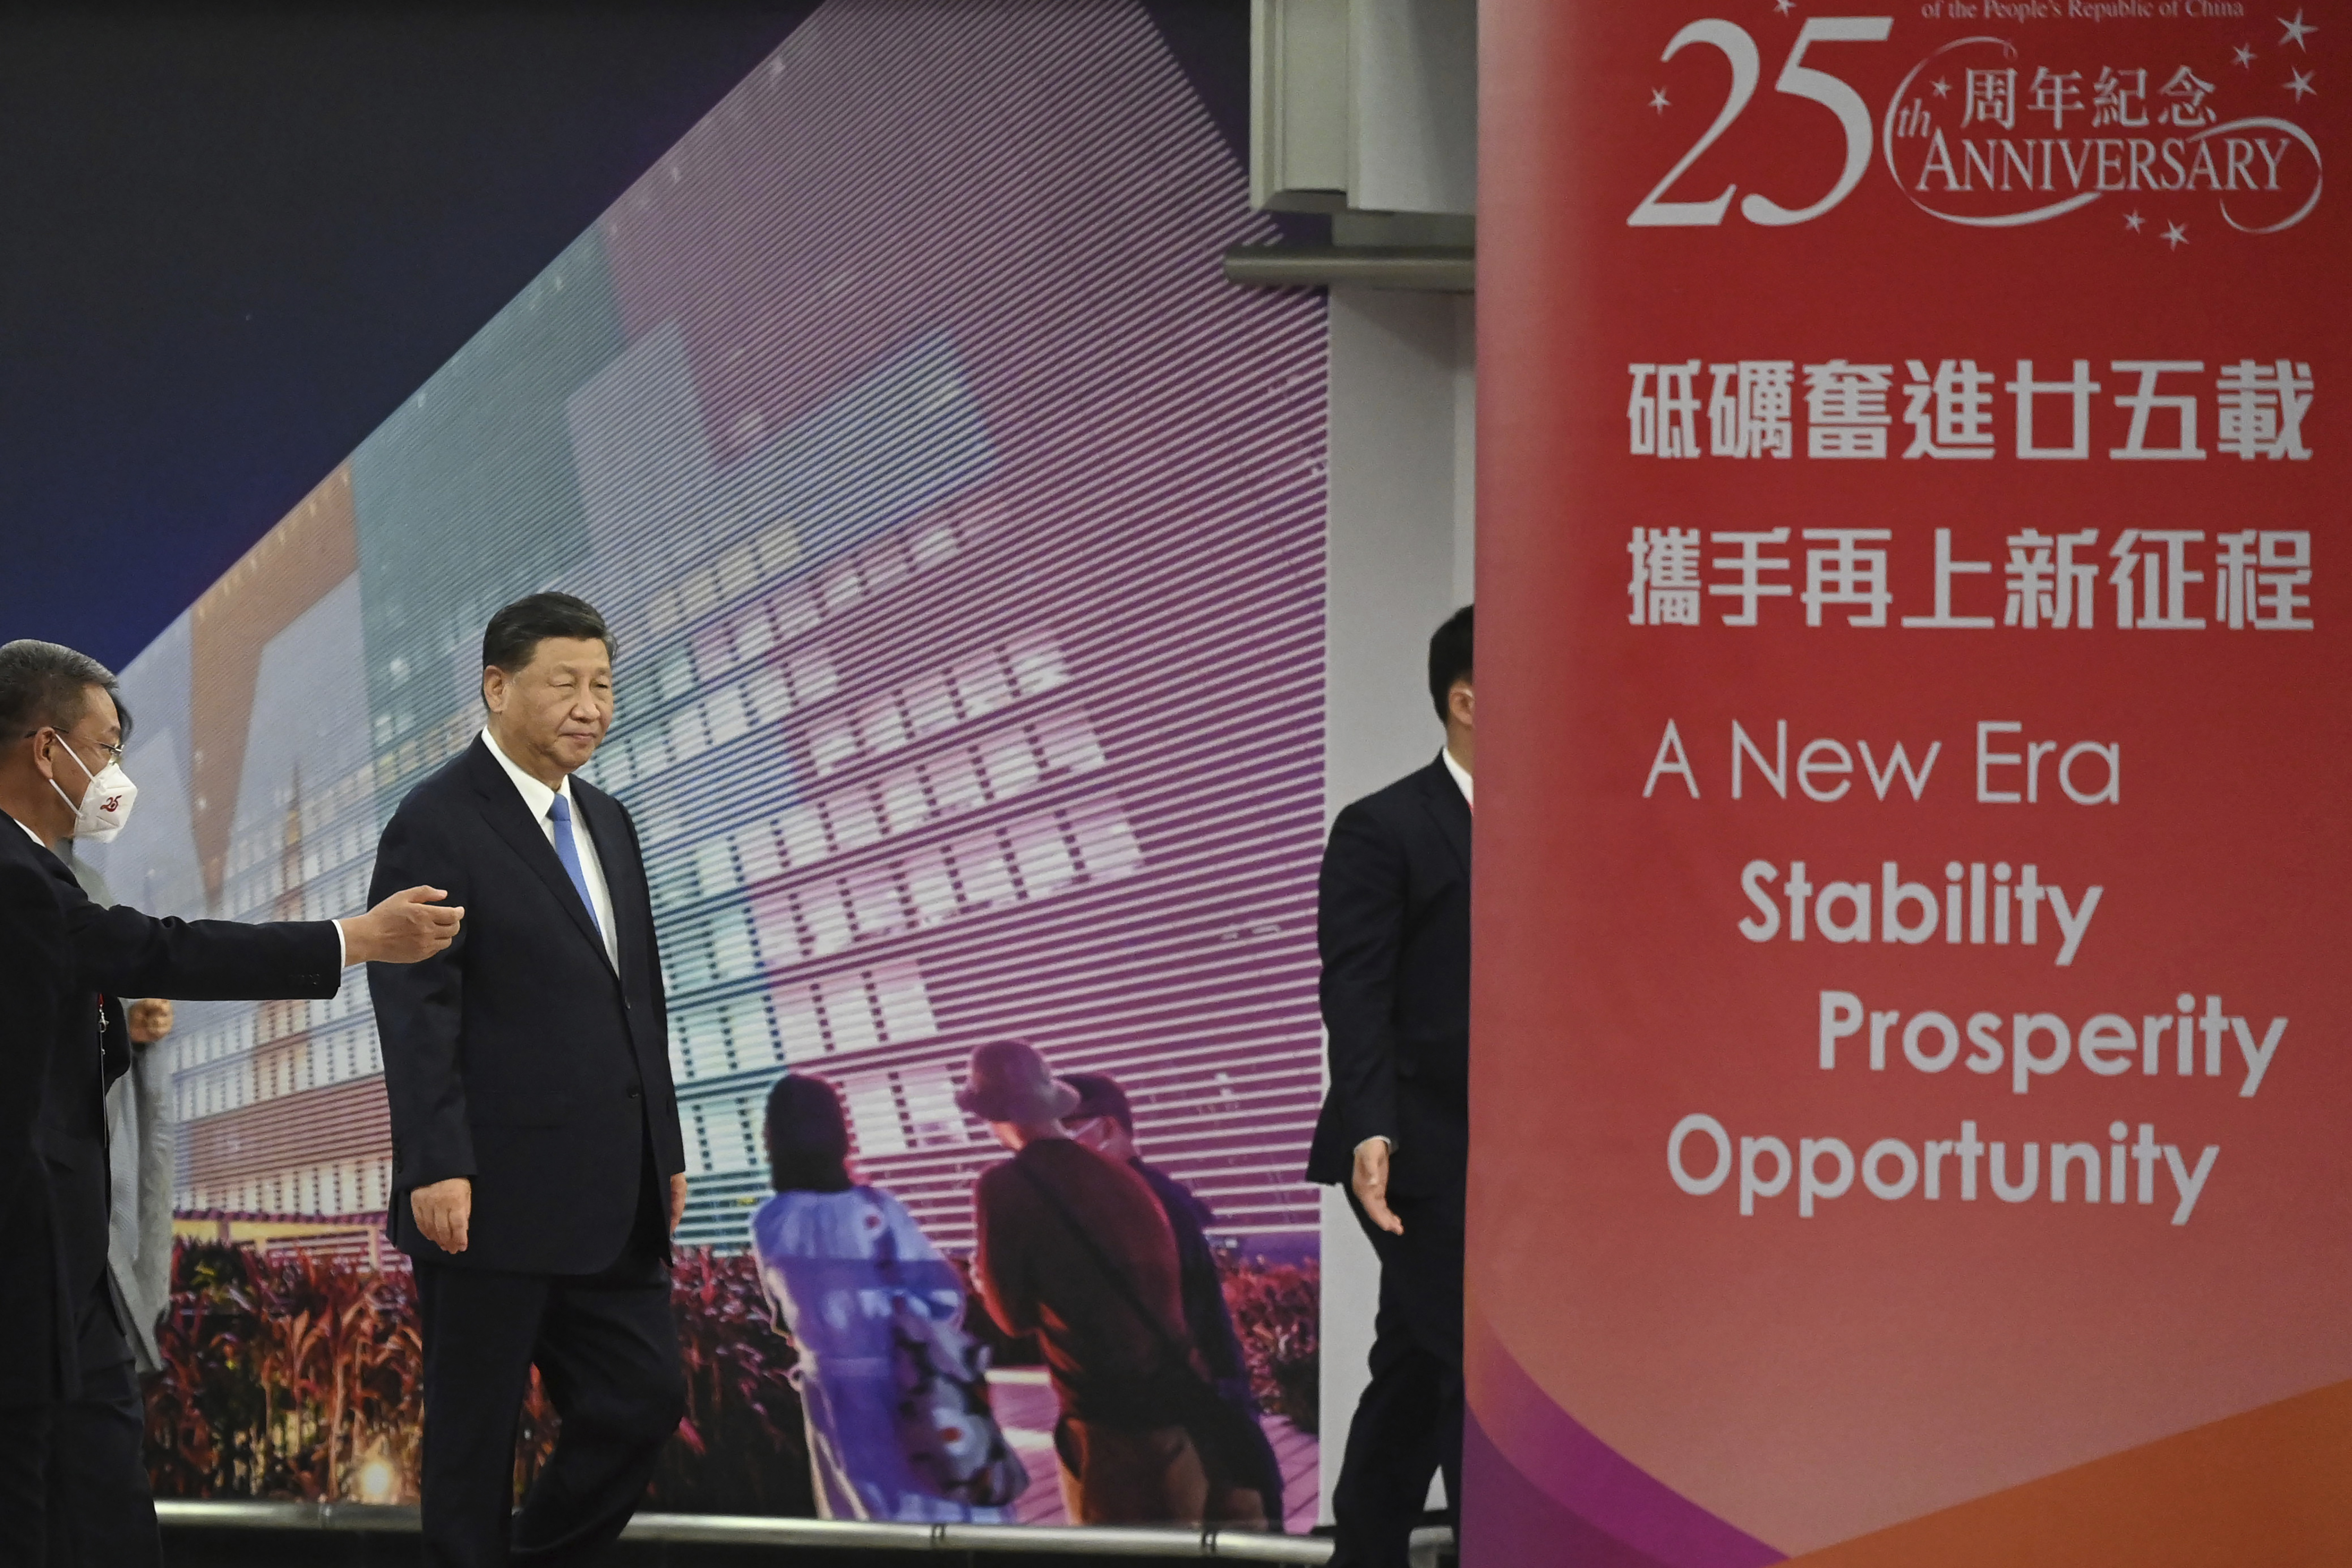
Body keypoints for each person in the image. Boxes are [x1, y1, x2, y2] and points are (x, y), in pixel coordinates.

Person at [0, 639, 461, 1567]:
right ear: (48, 750)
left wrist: (118, 1045)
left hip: (65, 1283)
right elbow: (166, 948)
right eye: (107, 747)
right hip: (21, 1272)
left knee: (100, 1502)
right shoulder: (18, 877)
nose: (118, 775)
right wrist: (354, 938)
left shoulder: (39, 877)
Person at [370, 592, 689, 1568]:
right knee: (474, 1448)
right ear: (498, 687)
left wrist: (664, 1150)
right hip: (487, 1194)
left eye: (603, 684)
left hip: (612, 1190)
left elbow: (642, 999)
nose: (591, 705)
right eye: (566, 683)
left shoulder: (610, 819)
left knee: (644, 1400)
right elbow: (417, 1003)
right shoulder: (436, 819)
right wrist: (435, 1161)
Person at [1305, 605, 1474, 1568]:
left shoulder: (1556, 822)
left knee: (1416, 1363)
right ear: (1465, 699)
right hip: (1411, 1148)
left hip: (1510, 1149)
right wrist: (1371, 1127)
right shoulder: (1384, 827)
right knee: (1476, 1366)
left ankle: (1365, 1549)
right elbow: (1355, 986)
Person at [961, 1039, 1208, 1525]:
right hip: (1179, 1411)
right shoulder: (1120, 1174)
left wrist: (981, 1277)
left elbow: (1011, 1319)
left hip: (1104, 1423)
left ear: (993, 1115)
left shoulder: (1003, 1184)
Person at [749, 1074, 1013, 1524]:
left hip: (829, 1391)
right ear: (839, 1132)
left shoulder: (770, 1220)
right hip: (903, 1385)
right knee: (938, 1509)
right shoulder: (875, 1209)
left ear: (772, 1138)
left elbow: (782, 1314)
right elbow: (943, 1297)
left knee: (860, 1513)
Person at [1064, 1071, 1281, 1528]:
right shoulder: (1153, 1194)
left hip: (1181, 1411)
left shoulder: (1136, 1203)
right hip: (1205, 1402)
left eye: (1065, 1129)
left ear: (1104, 1128)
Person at [54, 831, 178, 1379]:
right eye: (104, 746)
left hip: (104, 1232)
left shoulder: (91, 885)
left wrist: (134, 1030)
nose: (110, 773)